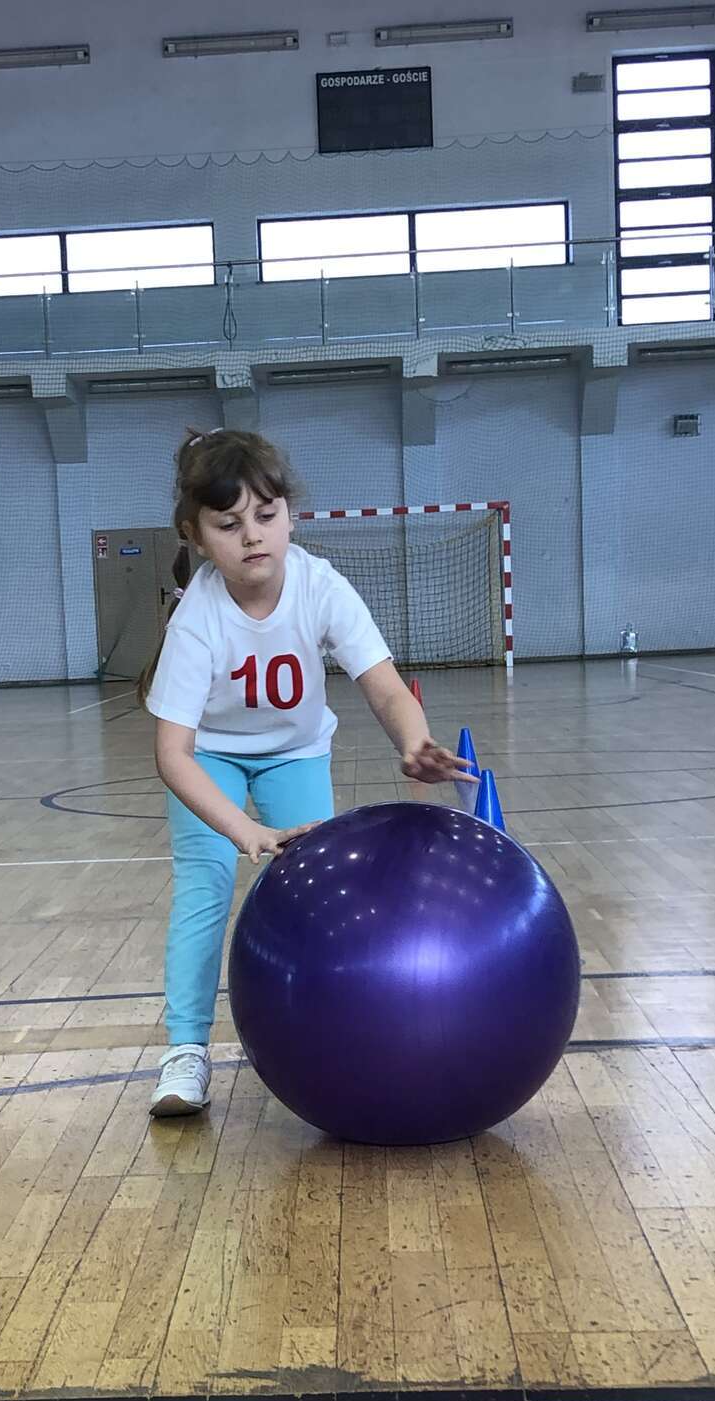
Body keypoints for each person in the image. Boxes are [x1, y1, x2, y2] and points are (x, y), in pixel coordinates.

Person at [142, 427, 476, 1118]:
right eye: (228, 525)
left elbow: (384, 686)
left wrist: (414, 741)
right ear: (195, 537)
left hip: (294, 752)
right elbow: (172, 753)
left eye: (266, 515)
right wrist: (243, 831)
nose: (252, 536)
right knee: (205, 886)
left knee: (316, 896)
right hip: (209, 757)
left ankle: (326, 1030)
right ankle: (185, 1051)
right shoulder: (196, 620)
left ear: (290, 515)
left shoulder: (320, 586)